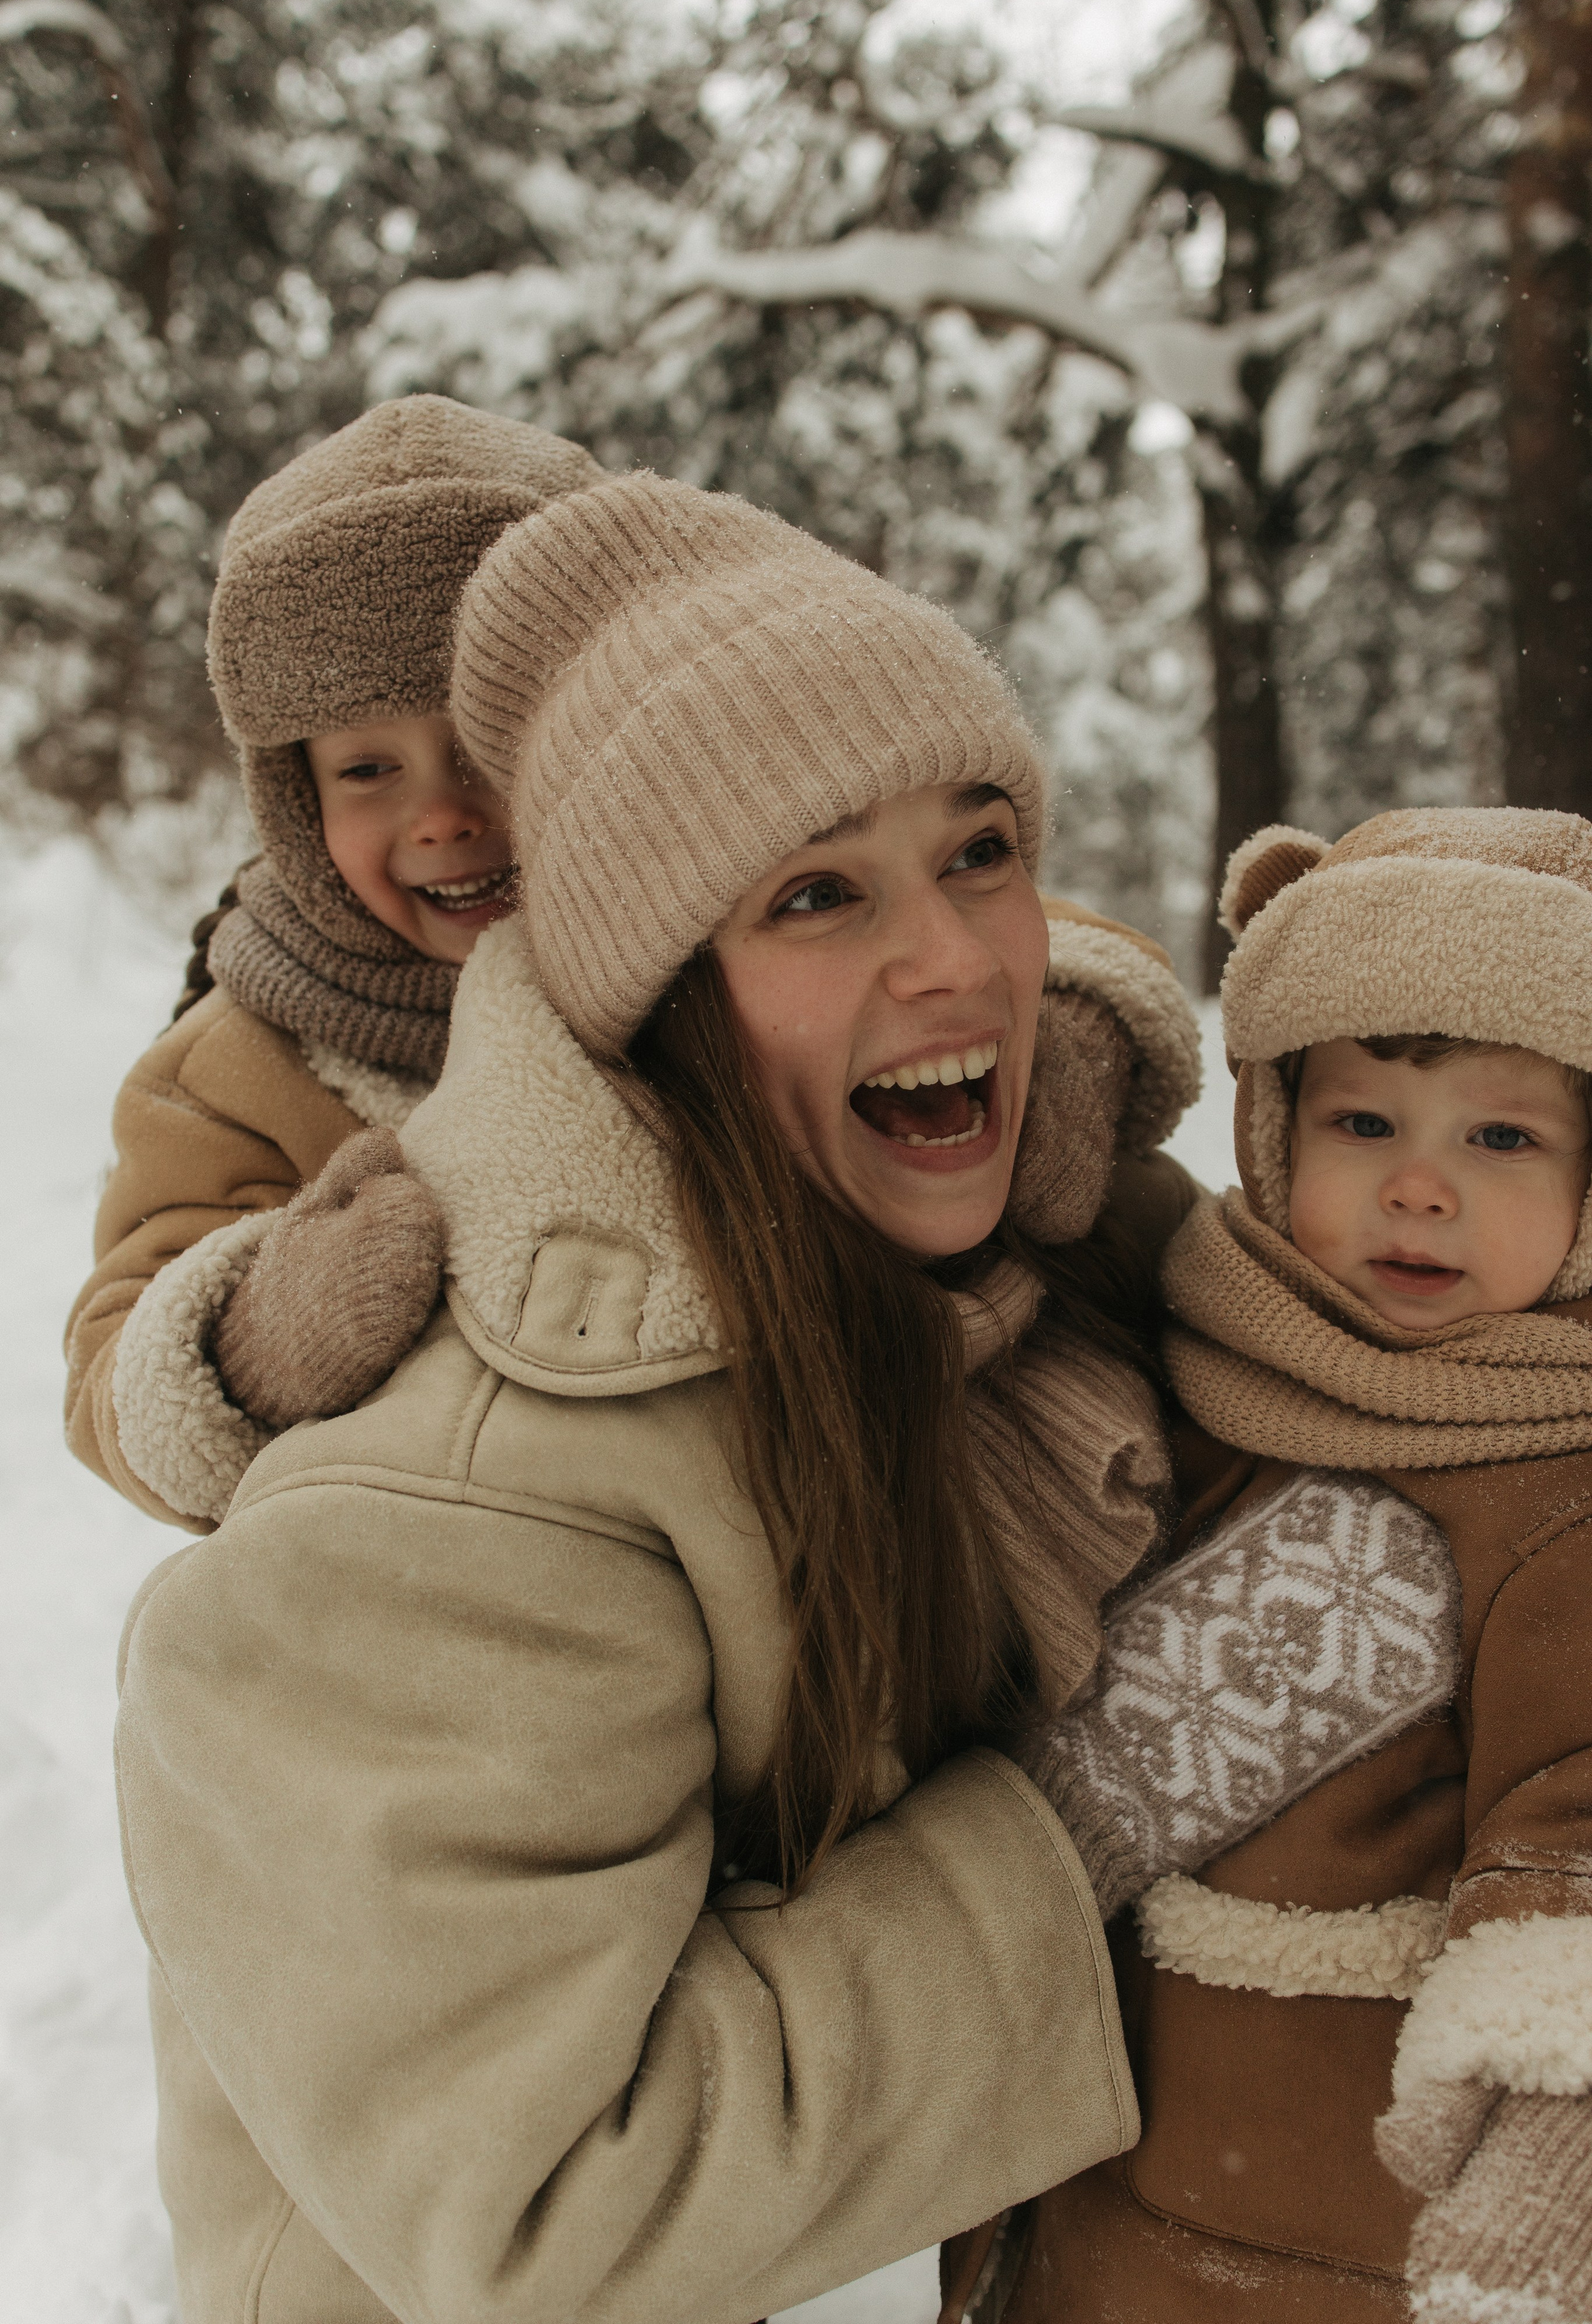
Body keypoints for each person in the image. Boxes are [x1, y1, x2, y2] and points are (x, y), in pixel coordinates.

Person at [113, 480, 1458, 2324]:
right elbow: (557, 2216)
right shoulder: (433, 1528)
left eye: (978, 851)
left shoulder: (1028, 1279)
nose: (954, 957)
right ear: (661, 992)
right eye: (819, 892)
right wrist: (1089, 1806)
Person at [1009, 808, 1592, 2324]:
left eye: (1500, 1136)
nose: (1417, 1188)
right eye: (1361, 1124)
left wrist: (1552, 2139)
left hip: (1348, 2224)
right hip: (1091, 2171)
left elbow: (1574, 1828)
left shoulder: (1559, 1490)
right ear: (1269, 1129)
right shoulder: (1201, 1356)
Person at [63, 394, 606, 1528]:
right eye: (369, 770)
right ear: (295, 804)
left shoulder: (719, 931)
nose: (444, 813)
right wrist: (259, 1334)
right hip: (408, 1579)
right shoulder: (238, 1064)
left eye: (486, 747)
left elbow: (946, 919)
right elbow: (110, 1372)